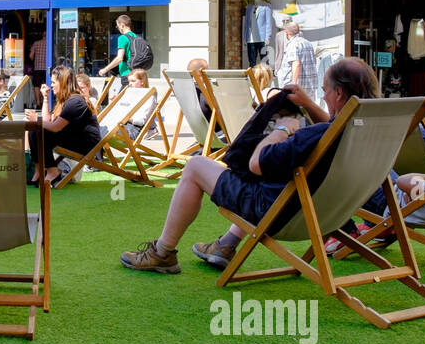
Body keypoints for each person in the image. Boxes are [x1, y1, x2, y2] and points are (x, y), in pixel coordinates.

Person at [121, 57, 380, 274]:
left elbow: (257, 163)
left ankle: (163, 252)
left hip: (278, 214)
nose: (322, 96)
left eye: (325, 91)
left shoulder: (313, 135)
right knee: (271, 182)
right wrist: (308, 106)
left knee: (196, 166)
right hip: (329, 213)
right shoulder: (370, 133)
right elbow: (335, 127)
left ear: (339, 93)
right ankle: (226, 244)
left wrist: (280, 130)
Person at [25, 65, 102, 187]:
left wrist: (36, 119)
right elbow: (47, 122)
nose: (51, 85)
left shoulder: (75, 101)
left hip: (85, 145)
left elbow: (55, 127)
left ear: (63, 82)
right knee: (34, 130)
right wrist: (45, 98)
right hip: (73, 138)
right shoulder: (67, 100)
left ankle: (52, 171)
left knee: (40, 131)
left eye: (54, 82)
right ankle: (39, 172)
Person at [277, 20, 318, 102]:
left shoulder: (293, 44)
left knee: (296, 112)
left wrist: (293, 85)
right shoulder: (308, 43)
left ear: (287, 33)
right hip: (309, 85)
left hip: (297, 87)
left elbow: (296, 64)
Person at [114, 68, 158, 141]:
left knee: (98, 133)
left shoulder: (149, 96)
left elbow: (141, 121)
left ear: (142, 82)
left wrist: (127, 118)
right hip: (122, 126)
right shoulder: (131, 94)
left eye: (133, 81)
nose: (130, 84)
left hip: (131, 131)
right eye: (129, 81)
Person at [97, 14, 138, 90]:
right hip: (136, 74)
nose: (118, 28)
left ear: (122, 25)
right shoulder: (136, 37)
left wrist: (105, 69)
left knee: (121, 100)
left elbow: (119, 58)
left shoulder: (123, 38)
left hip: (127, 74)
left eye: (117, 26)